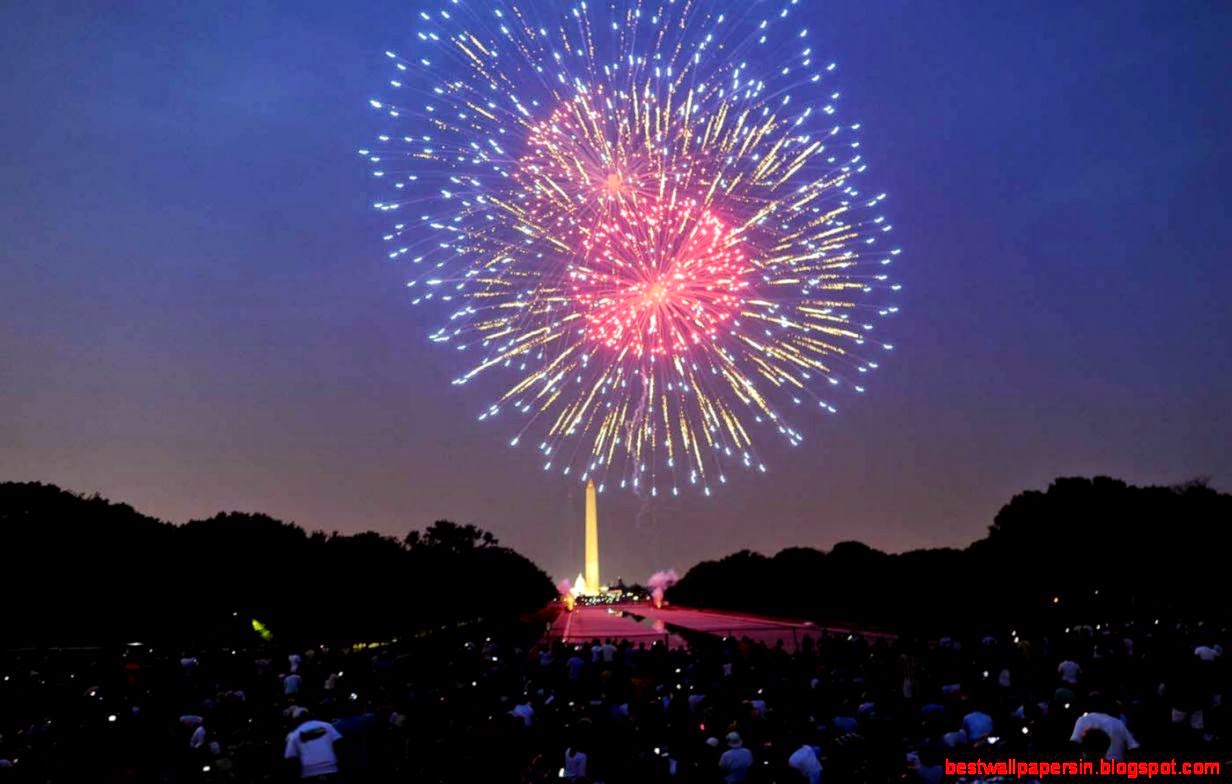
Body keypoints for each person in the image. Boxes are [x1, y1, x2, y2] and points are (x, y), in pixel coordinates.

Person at [285, 712, 343, 780]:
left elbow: (290, 756)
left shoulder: (294, 734)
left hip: (309, 772)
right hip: (332, 767)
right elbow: (339, 744)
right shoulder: (326, 725)